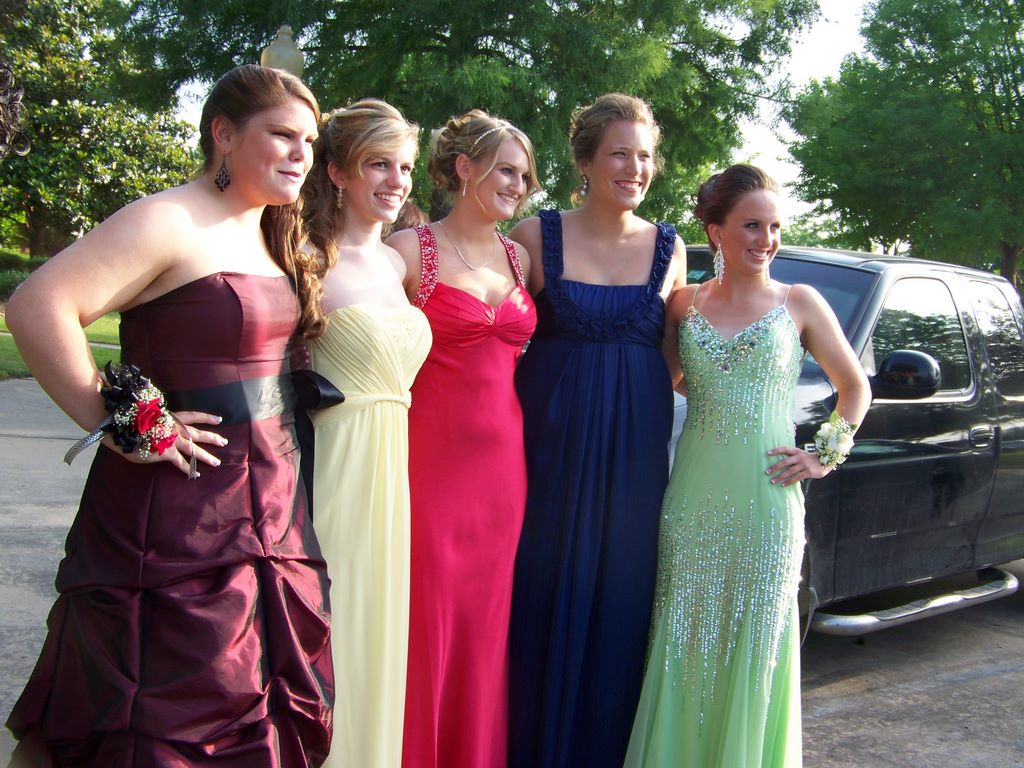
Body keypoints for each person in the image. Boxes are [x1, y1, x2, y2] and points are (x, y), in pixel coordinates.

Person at [5, 64, 334, 766]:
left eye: (309, 141)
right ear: (224, 134)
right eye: (283, 135)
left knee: (256, 697)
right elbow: (38, 306)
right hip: (175, 516)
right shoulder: (169, 218)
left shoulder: (269, 231)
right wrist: (128, 426)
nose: (301, 153)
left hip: (271, 503)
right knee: (163, 702)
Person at [624, 164, 871, 767]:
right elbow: (665, 380)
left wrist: (822, 456)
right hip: (693, 500)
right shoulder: (682, 305)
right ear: (716, 231)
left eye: (775, 227)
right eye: (752, 226)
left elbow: (855, 387)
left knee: (757, 644)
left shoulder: (799, 302)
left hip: (768, 503)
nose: (767, 239)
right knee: (685, 638)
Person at [506, 93, 686, 768]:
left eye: (644, 156)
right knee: (540, 588)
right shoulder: (533, 236)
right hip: (547, 450)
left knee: (622, 595)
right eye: (619, 153)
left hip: (633, 459)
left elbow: (674, 359)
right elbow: (494, 331)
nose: (635, 168)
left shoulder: (670, 249)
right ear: (584, 161)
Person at [386, 110, 539, 768]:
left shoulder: (520, 258)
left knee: (484, 629)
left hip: (503, 472)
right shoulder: (409, 251)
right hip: (429, 466)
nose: (518, 185)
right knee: (428, 623)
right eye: (505, 170)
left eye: (524, 175)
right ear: (464, 167)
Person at [300, 98, 430, 768]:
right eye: (379, 164)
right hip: (336, 468)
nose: (396, 180)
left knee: (378, 627)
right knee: (336, 623)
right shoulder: (304, 260)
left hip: (393, 471)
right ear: (337, 172)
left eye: (404, 167)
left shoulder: (395, 265)